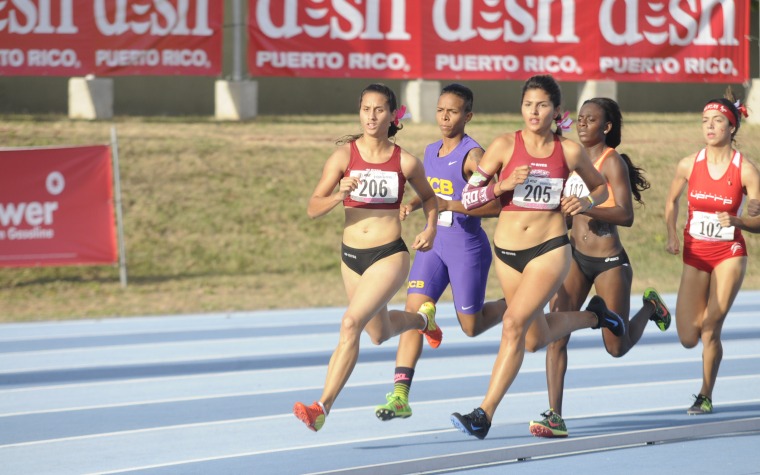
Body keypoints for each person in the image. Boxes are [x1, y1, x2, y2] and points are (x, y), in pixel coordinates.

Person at [450, 75, 625, 440]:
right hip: (507, 253)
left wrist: (585, 202)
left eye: (542, 105)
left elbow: (600, 186)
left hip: (550, 250)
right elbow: (467, 199)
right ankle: (596, 316)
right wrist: (502, 185)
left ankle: (484, 414)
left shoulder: (569, 151)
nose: (534, 111)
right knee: (532, 339)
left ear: (556, 111)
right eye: (528, 104)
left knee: (513, 325)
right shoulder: (502, 146)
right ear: (521, 108)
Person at [293, 83, 442, 432]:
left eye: (378, 110)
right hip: (351, 257)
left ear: (392, 115)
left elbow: (430, 199)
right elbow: (313, 208)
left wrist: (430, 228)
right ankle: (423, 322)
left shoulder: (404, 161)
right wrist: (337, 196)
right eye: (365, 109)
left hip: (389, 254)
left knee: (350, 325)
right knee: (378, 332)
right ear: (359, 112)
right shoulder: (344, 156)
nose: (371, 116)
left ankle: (321, 407)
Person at [529, 98, 671, 438]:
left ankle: (651, 307)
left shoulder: (612, 163)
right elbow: (563, 212)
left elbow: (626, 215)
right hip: (574, 258)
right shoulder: (569, 159)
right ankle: (555, 416)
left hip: (608, 262)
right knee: (555, 334)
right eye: (579, 118)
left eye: (590, 120)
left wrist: (586, 208)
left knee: (615, 347)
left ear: (606, 127)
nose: (582, 124)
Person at [373, 83, 506, 421]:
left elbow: (498, 206)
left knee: (471, 327)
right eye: (440, 110)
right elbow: (432, 191)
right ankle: (400, 396)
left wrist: (453, 205)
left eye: (453, 111)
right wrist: (413, 203)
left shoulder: (474, 156)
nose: (445, 117)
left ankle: (519, 303)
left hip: (466, 248)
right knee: (412, 312)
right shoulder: (431, 150)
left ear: (468, 116)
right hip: (434, 248)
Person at [664, 91, 760, 415]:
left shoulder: (745, 169)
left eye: (718, 121)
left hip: (729, 252)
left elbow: (759, 221)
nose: (710, 126)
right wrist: (671, 234)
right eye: (705, 121)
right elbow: (671, 201)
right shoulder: (688, 164)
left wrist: (740, 220)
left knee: (710, 328)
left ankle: (705, 394)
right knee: (688, 336)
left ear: (732, 127)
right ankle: (659, 310)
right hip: (695, 252)